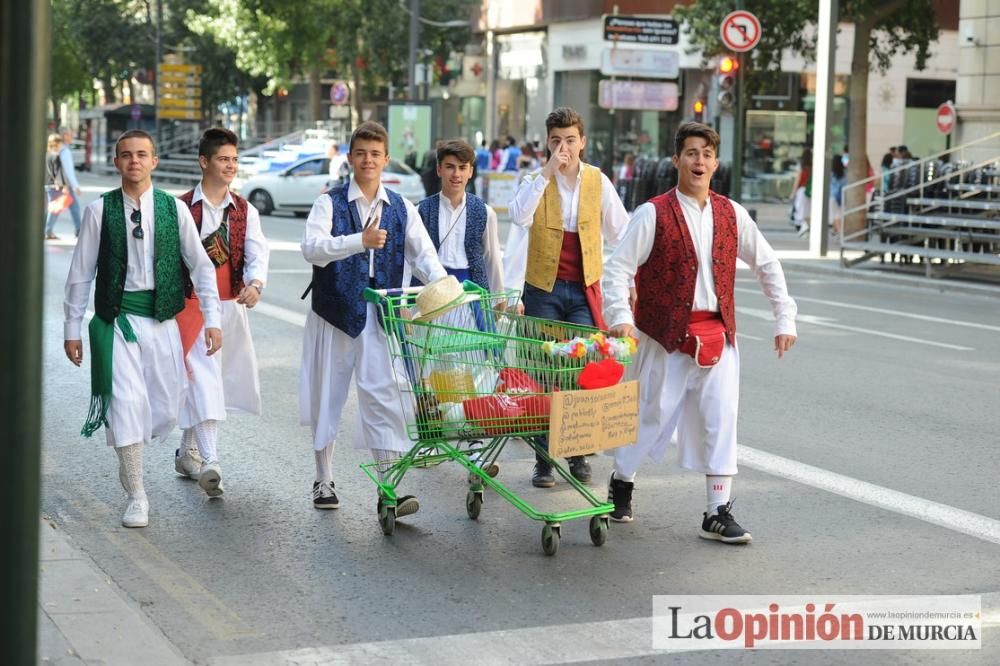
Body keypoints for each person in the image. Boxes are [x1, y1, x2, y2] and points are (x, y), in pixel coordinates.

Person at [602, 121, 797, 543]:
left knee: (721, 418)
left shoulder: (732, 213)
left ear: (716, 162)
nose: (699, 161)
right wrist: (619, 315)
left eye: (707, 154)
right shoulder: (653, 212)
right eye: (691, 153)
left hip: (717, 334)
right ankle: (621, 479)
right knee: (649, 416)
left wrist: (784, 316)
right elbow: (617, 267)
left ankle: (717, 511)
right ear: (676, 160)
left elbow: (766, 263)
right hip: (664, 334)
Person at [63, 129, 223, 528]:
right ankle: (136, 494)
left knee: (166, 405)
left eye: (141, 154)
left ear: (153, 161)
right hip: (116, 324)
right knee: (126, 406)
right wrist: (72, 328)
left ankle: (169, 453)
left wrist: (213, 320)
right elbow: (81, 275)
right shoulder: (99, 212)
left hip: (162, 323)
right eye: (126, 155)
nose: (134, 161)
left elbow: (201, 267)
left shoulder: (174, 210)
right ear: (117, 162)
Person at [299, 121, 446, 512]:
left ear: (385, 159)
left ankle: (390, 486)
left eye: (375, 154)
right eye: (361, 153)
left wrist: (444, 286)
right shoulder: (329, 203)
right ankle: (323, 479)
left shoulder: (401, 207)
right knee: (328, 395)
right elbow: (311, 248)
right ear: (350, 158)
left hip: (380, 313)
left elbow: (424, 255)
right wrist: (356, 242)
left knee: (385, 395)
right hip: (334, 312)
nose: (368, 160)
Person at [503, 106, 630, 488]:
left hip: (583, 289)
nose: (564, 148)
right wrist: (545, 174)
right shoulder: (534, 180)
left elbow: (621, 233)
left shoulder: (598, 182)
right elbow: (518, 216)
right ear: (547, 143)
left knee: (580, 372)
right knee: (543, 374)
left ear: (583, 142)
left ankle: (577, 453)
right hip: (542, 287)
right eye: (556, 141)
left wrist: (626, 283)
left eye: (570, 140)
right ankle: (543, 458)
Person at [172, 128, 270, 497]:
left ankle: (187, 451)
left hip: (230, 305)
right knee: (203, 380)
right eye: (222, 159)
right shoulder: (181, 208)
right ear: (204, 162)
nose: (230, 166)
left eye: (233, 159)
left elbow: (258, 253)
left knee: (215, 380)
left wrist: (255, 284)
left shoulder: (245, 210)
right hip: (192, 307)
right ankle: (211, 461)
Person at [59, 127, 84, 237]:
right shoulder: (65, 151)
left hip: (60, 183)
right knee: (56, 210)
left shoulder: (59, 148)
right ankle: (79, 229)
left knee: (72, 207)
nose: (72, 136)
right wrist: (76, 186)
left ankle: (79, 229)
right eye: (70, 134)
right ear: (64, 136)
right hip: (65, 184)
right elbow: (69, 171)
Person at [44, 133, 68, 240]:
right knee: (54, 210)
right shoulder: (56, 156)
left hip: (45, 185)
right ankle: (48, 231)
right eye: (60, 143)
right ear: (56, 144)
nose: (61, 145)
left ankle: (46, 230)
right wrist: (62, 186)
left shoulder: (45, 154)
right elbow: (58, 172)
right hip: (54, 186)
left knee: (47, 209)